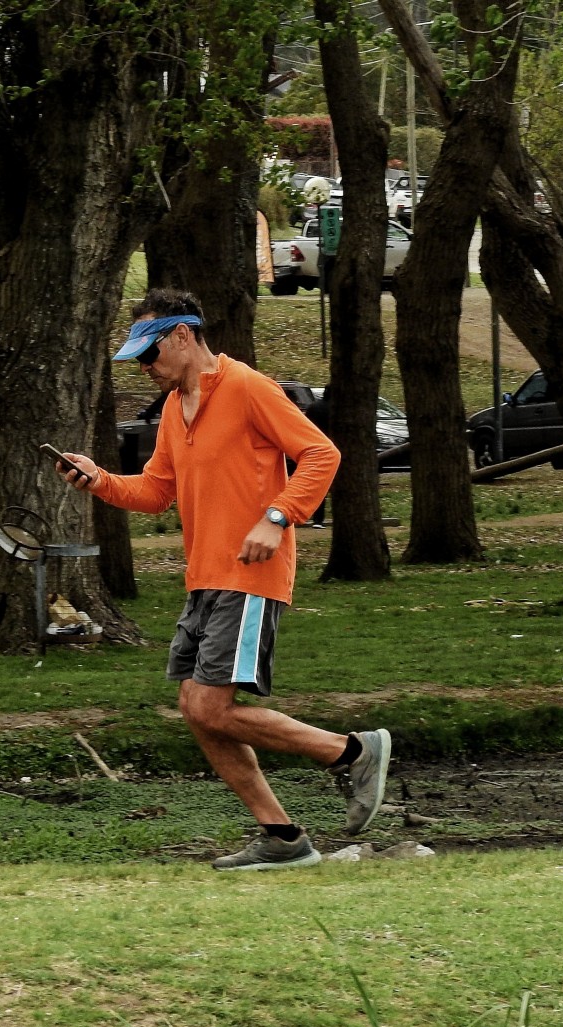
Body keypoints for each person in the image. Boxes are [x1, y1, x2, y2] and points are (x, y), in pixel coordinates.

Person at [51, 288, 390, 871]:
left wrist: (277, 517)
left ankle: (352, 750)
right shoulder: (173, 411)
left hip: (251, 573)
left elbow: (320, 453)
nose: (145, 367)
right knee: (195, 707)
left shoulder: (249, 388)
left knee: (210, 706)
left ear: (183, 336)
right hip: (205, 577)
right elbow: (157, 493)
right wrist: (100, 480)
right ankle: (282, 838)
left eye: (149, 353)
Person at [302, 385, 332, 527]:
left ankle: (316, 519)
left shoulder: (314, 407)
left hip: (313, 448)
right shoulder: (338, 410)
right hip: (332, 448)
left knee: (318, 485)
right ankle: (319, 519)